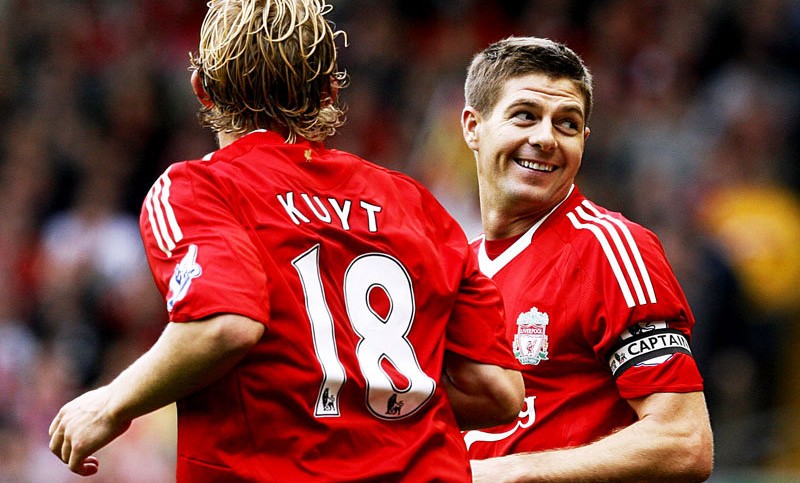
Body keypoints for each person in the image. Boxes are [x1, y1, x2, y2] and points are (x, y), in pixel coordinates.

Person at [47, 1, 525, 481]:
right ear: (329, 91)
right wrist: (374, 405)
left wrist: (110, 404)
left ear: (202, 90)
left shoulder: (199, 188)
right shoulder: (416, 204)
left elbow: (225, 326)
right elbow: (498, 391)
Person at [459, 37, 714, 482]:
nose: (545, 138)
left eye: (567, 124)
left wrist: (511, 472)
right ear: (473, 127)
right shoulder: (457, 268)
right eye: (525, 115)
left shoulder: (610, 249)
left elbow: (684, 441)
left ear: (584, 140)